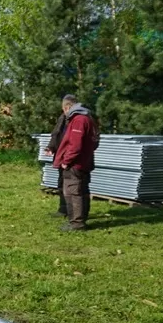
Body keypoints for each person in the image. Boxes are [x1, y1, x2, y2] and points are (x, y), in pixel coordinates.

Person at [53, 95, 99, 231]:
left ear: (67, 107)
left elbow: (75, 145)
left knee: (73, 192)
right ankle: (81, 218)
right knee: (82, 191)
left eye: (64, 110)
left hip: (75, 164)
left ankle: (76, 223)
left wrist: (66, 161)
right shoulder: (89, 118)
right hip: (85, 162)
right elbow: (95, 141)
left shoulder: (78, 120)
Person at [44, 107, 69, 217]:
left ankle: (75, 214)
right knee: (61, 183)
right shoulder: (63, 118)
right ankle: (63, 209)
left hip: (71, 157)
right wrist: (51, 147)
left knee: (73, 186)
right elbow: (56, 133)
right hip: (61, 155)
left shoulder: (80, 119)